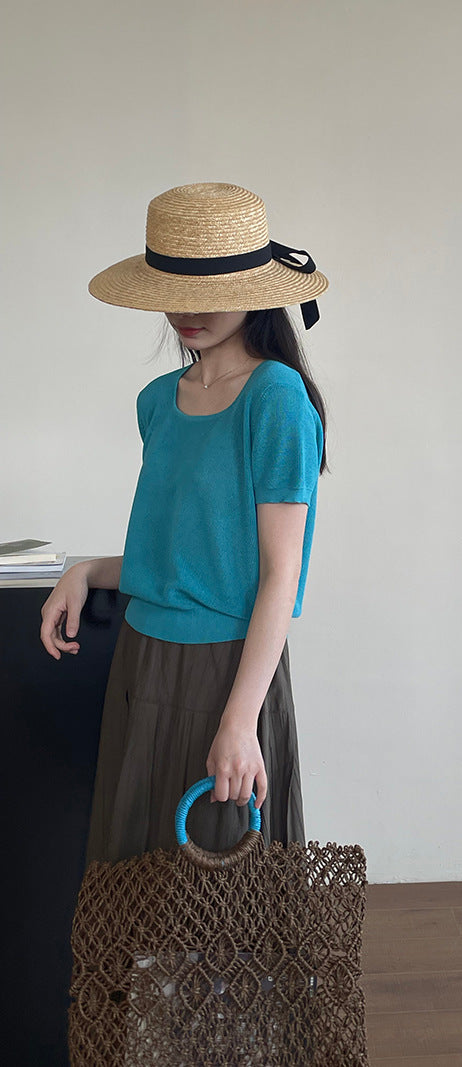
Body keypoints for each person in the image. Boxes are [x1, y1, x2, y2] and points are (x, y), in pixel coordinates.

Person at [40, 182, 329, 864]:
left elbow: (279, 575)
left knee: (218, 888)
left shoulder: (276, 398)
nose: (187, 311)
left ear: (254, 291)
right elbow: (184, 552)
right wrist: (86, 570)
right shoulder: (157, 402)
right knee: (143, 882)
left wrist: (241, 720)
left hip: (224, 669)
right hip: (142, 660)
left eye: (210, 290)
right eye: (174, 289)